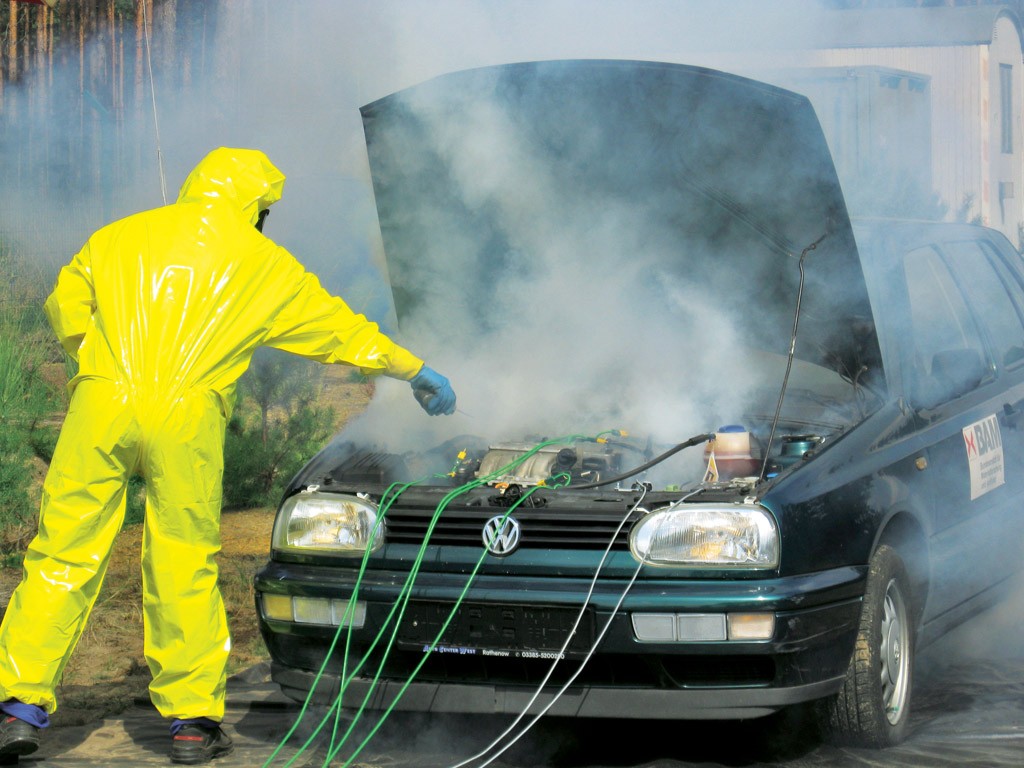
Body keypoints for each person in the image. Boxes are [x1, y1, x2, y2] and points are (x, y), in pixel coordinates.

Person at [0, 147, 456, 765]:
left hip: (101, 403)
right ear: (257, 205)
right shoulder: (262, 262)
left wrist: (97, 363)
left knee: (61, 552)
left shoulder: (118, 235)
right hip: (187, 415)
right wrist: (415, 369)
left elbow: (65, 304)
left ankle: (18, 708)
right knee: (183, 559)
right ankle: (191, 722)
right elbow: (340, 331)